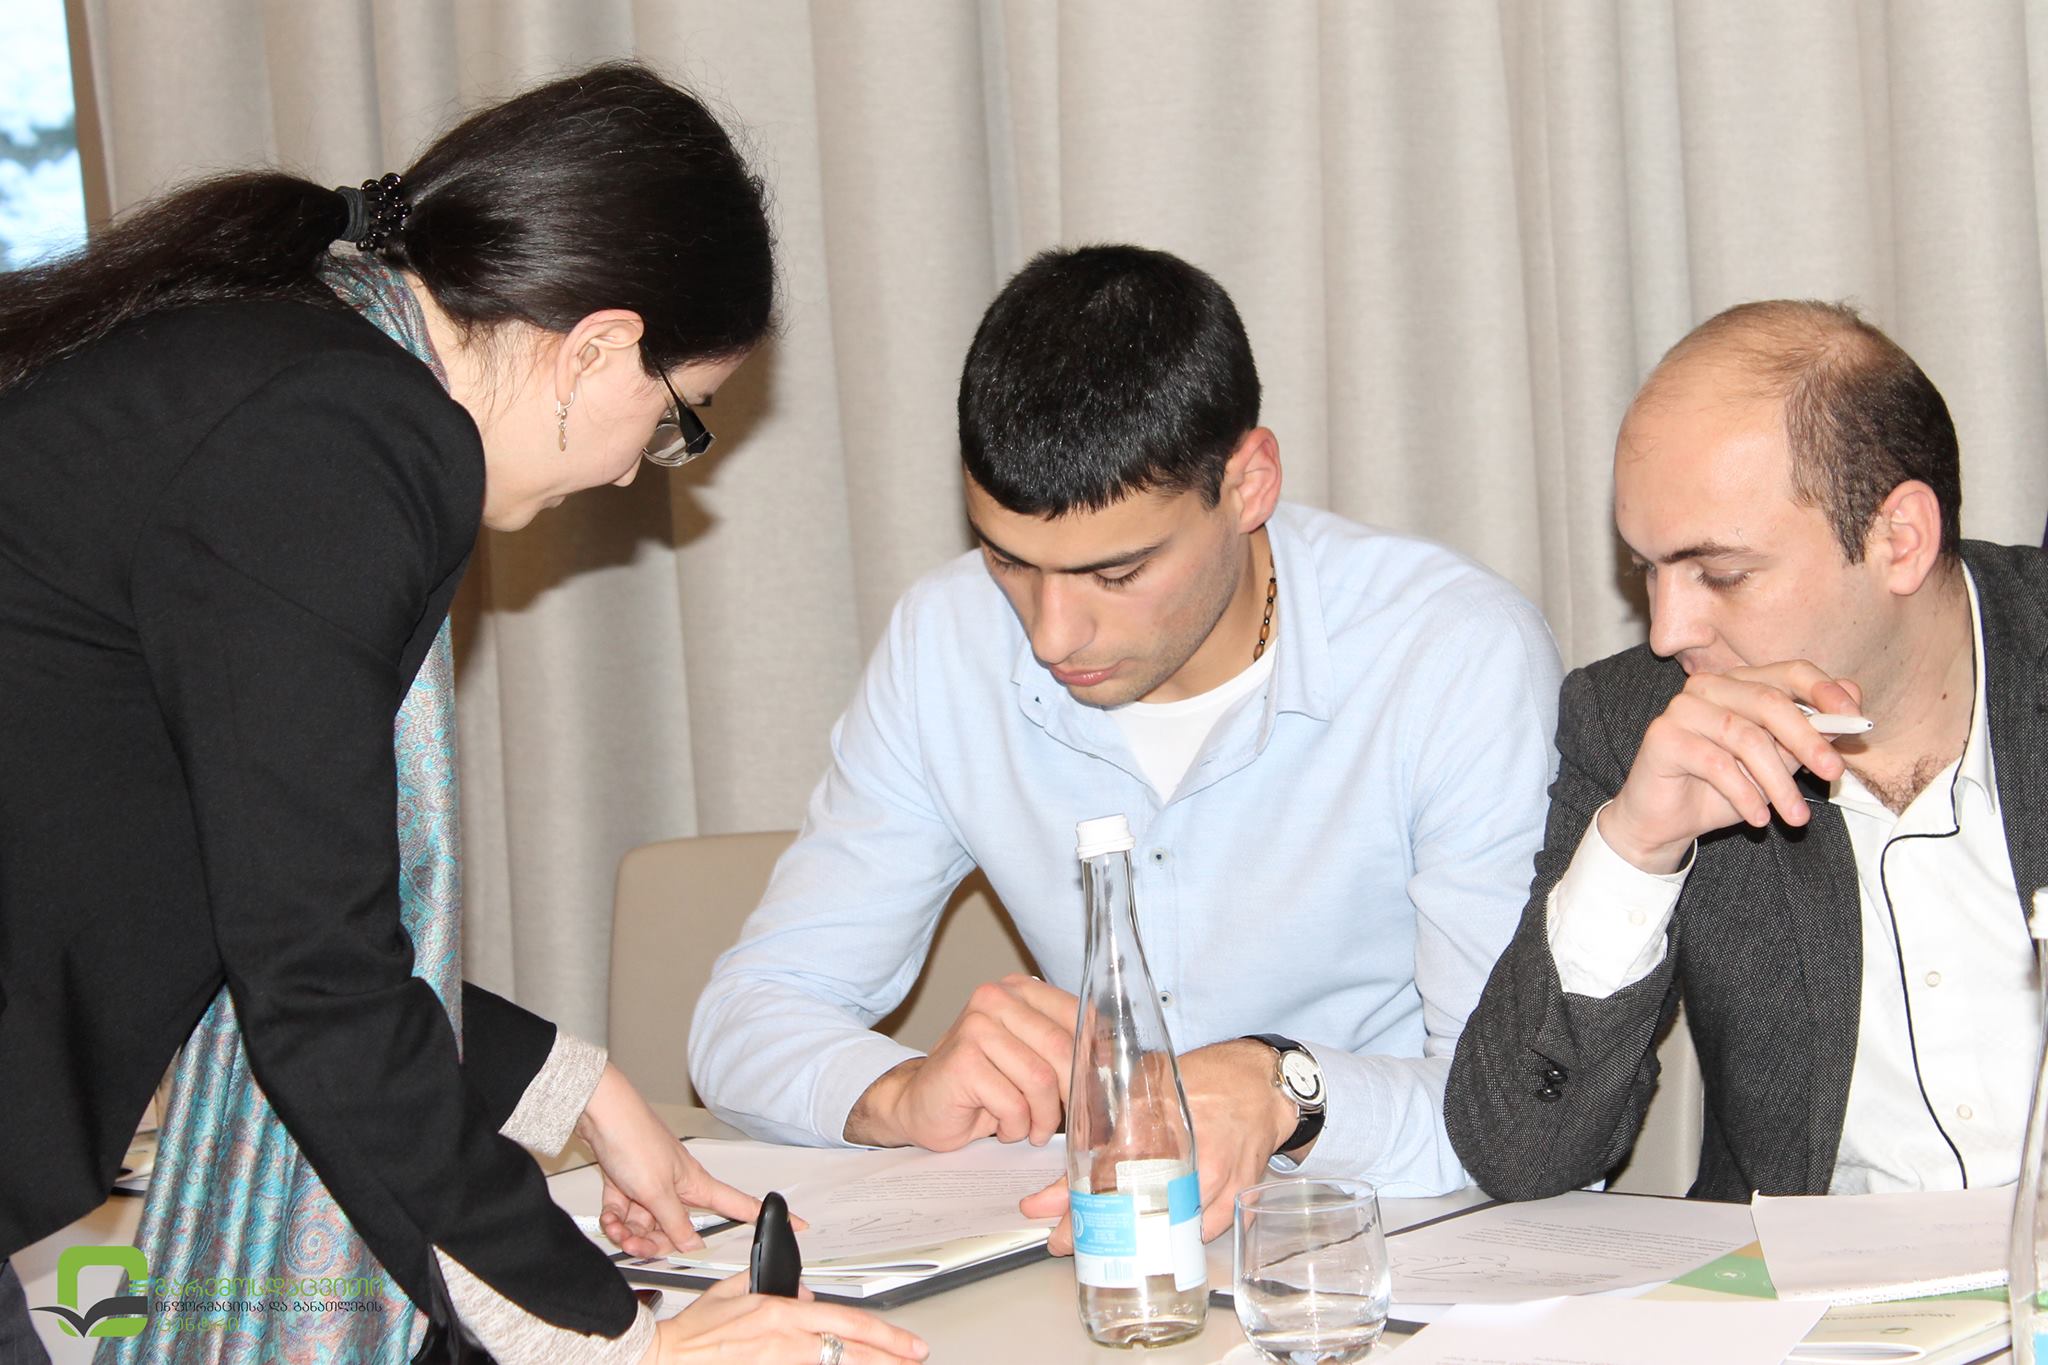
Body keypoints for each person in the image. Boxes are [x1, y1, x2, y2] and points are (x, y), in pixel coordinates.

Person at [0, 63, 924, 1365]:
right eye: (674, 419)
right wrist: (619, 1340)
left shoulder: (290, 359)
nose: (633, 470)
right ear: (596, 345)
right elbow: (317, 977)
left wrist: (572, 1085)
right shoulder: (340, 436)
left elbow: (256, 877)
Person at [689, 244, 1563, 1247]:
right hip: (1089, 1257)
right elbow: (747, 1015)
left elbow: (1525, 1110)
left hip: (1399, 1252)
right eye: (1009, 561)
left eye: (1116, 574)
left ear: (1248, 483)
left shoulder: (1449, 655)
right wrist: (898, 1092)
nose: (1051, 633)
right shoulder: (946, 640)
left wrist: (1287, 1091)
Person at [1445, 300, 2048, 1203]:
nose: (1668, 631)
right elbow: (1521, 1158)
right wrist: (1636, 850)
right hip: (1800, 1289)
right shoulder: (1641, 723)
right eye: (1647, 569)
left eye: (1720, 574)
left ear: (1900, 540)